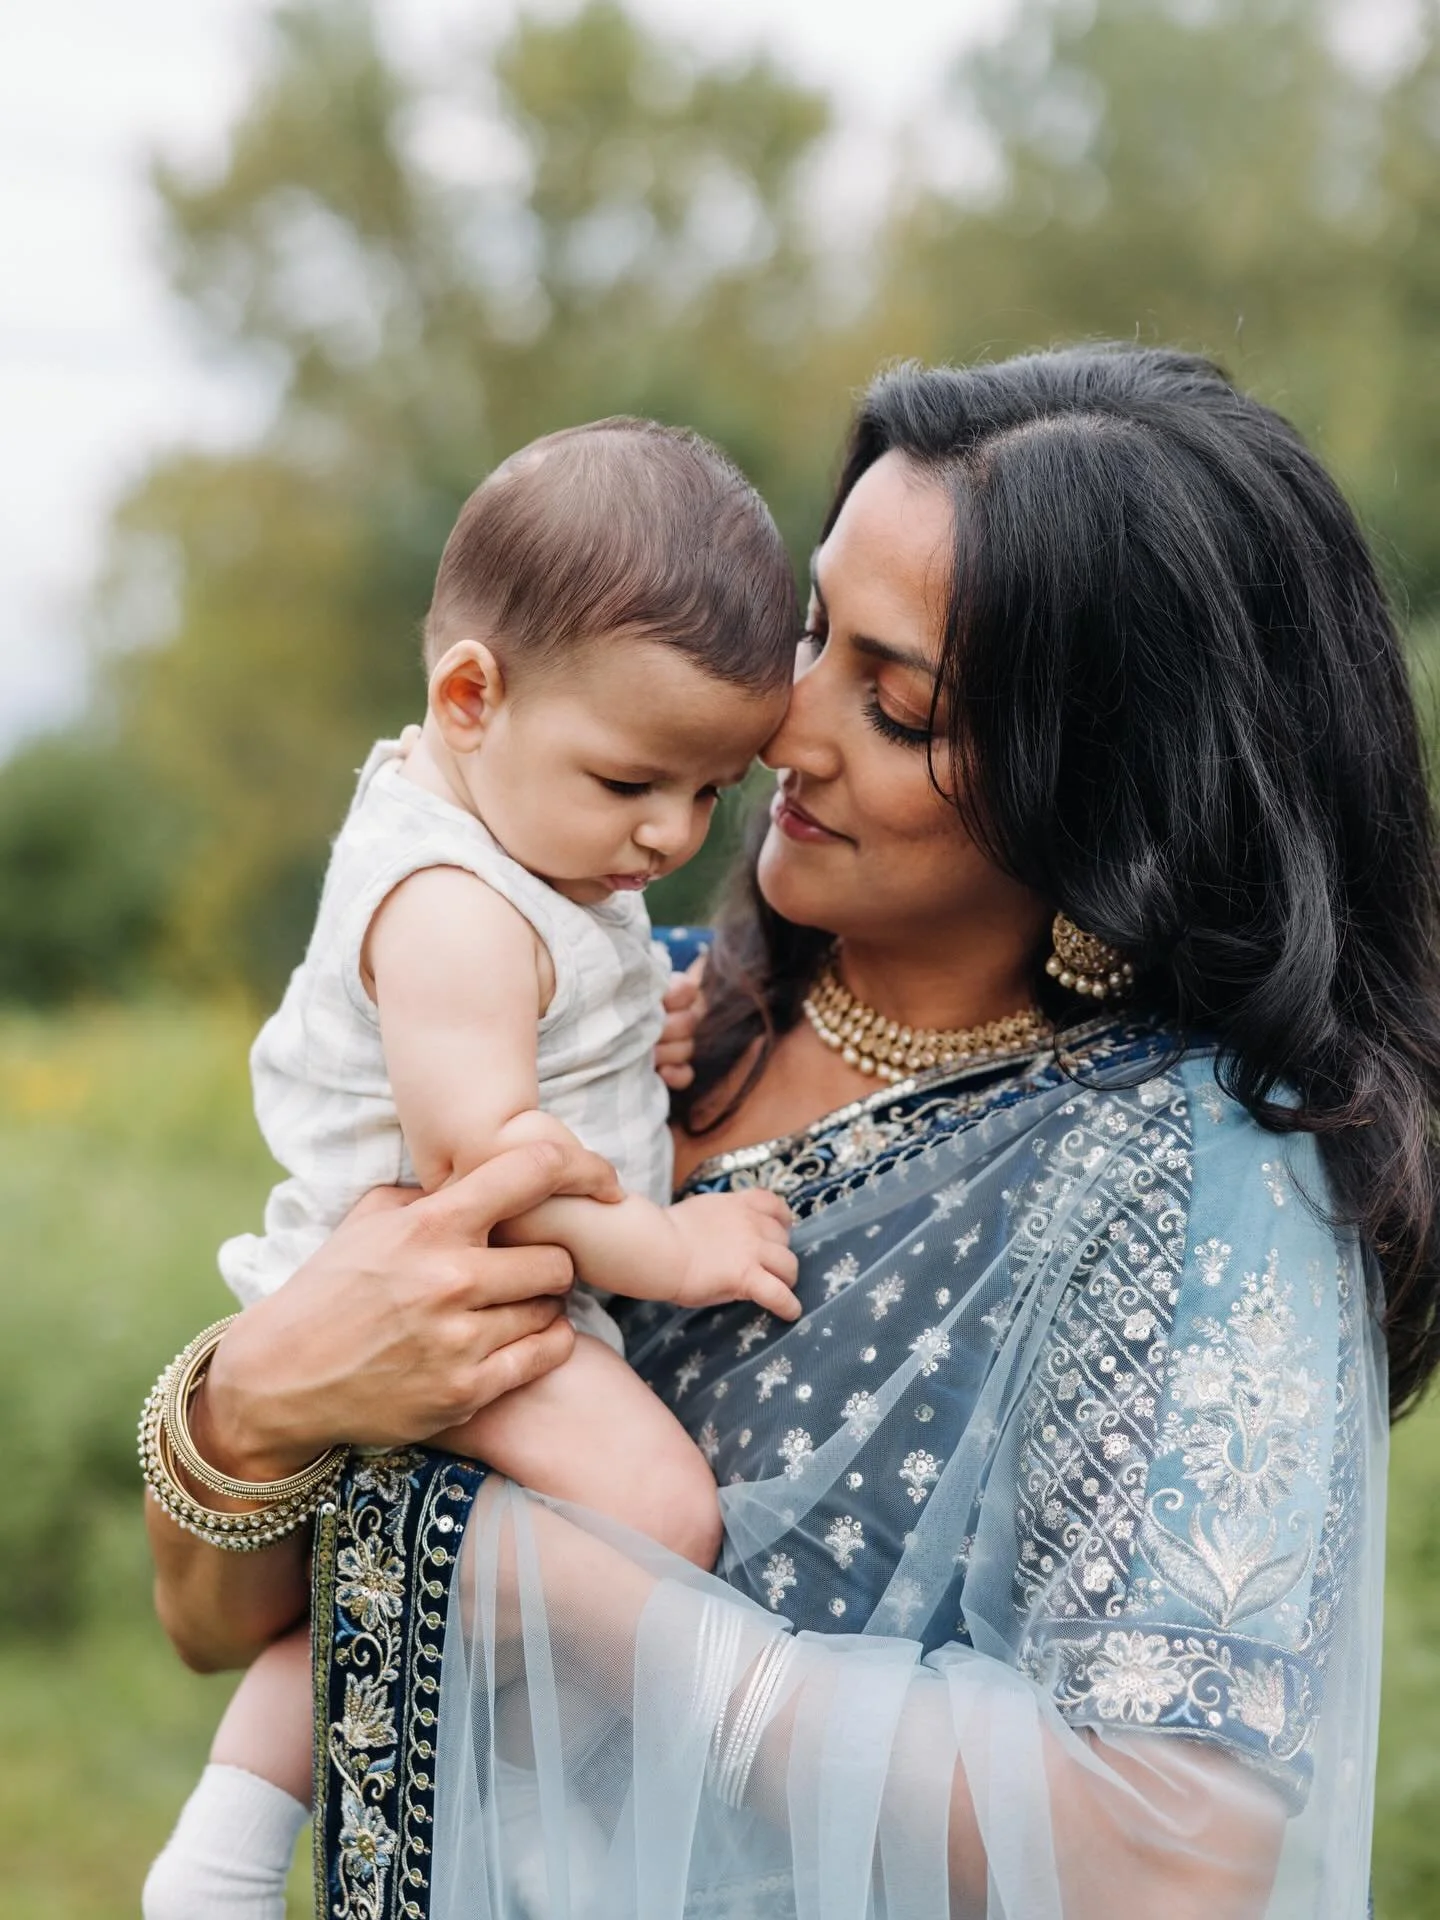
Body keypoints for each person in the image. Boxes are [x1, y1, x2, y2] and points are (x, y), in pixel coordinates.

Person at [143, 346, 1440, 1919]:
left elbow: (1170, 1851)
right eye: (814, 630)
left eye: (892, 705)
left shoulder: (1190, 1186)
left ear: (1108, 795)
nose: (781, 729)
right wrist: (256, 1403)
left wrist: (571, 1591)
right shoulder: (637, 1023)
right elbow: (219, 1621)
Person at [140, 419, 801, 1920]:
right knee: (658, 1515)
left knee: (427, 1563)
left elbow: (562, 1018)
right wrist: (677, 1250)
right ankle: (238, 1840)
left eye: (709, 793)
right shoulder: (446, 899)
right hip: (460, 1286)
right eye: (638, 780)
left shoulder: (528, 828)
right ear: (469, 695)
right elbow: (485, 1174)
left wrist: (644, 1020)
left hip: (492, 1290)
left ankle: (231, 1846)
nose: (672, 833)